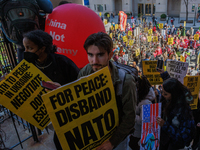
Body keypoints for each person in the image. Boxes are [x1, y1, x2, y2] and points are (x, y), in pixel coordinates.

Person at [78, 32, 137, 150]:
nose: (94, 61)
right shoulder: (85, 72)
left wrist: (112, 142)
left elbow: (129, 118)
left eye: (100, 55)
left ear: (110, 55)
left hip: (116, 140)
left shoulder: (125, 81)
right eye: (90, 55)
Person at [22, 30, 80, 150]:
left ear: (42, 49)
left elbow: (80, 85)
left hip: (71, 111)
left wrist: (62, 89)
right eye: (25, 48)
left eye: (29, 48)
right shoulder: (30, 65)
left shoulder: (63, 62)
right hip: (52, 115)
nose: (25, 52)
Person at [156, 78, 195, 150]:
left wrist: (165, 125)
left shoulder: (184, 111)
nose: (163, 95)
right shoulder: (171, 100)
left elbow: (183, 138)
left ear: (174, 94)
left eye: (165, 94)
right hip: (165, 141)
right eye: (162, 91)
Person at [129, 75, 155, 150]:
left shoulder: (146, 102)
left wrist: (131, 113)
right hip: (135, 132)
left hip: (138, 134)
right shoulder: (141, 98)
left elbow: (143, 120)